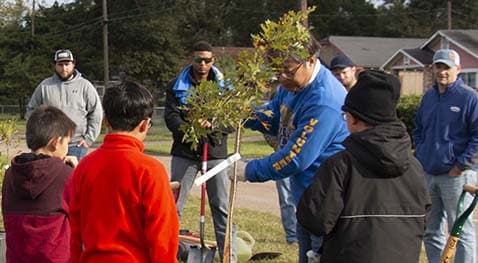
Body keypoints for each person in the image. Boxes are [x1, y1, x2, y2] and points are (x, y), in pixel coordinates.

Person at [297, 70, 431, 263]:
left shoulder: (340, 165)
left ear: (353, 119)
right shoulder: (415, 167)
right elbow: (425, 219)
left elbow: (315, 220)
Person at [236, 34, 349, 263]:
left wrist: (248, 171)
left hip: (326, 203)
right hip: (306, 199)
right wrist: (240, 114)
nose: (282, 77)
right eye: (277, 70)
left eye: (288, 70)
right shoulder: (292, 86)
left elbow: (296, 158)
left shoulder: (324, 100)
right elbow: (274, 117)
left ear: (310, 60)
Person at [69, 81, 179, 262]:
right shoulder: (150, 170)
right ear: (145, 125)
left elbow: (74, 228)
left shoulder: (85, 166)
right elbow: (163, 235)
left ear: (105, 121)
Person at [164, 40, 236, 261]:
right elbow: (171, 116)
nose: (202, 64)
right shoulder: (176, 85)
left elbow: (232, 120)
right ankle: (169, 254)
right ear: (192, 59)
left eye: (207, 60)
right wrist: (189, 129)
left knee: (221, 207)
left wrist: (213, 126)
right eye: (198, 60)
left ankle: (228, 256)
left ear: (213, 61)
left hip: (215, 154)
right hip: (185, 153)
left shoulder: (226, 87)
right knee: (173, 205)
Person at [414, 48, 478, 263]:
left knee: (460, 230)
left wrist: (460, 166)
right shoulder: (429, 97)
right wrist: (422, 156)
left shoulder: (469, 98)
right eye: (438, 66)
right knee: (431, 230)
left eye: (447, 68)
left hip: (457, 176)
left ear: (458, 70)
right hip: (429, 172)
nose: (442, 72)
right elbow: (419, 129)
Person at [2, 105, 78, 263]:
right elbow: (83, 216)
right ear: (55, 142)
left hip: (18, 258)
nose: (67, 149)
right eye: (67, 143)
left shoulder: (11, 175)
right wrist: (77, 172)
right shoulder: (65, 175)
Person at [26, 49, 103, 160]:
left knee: (74, 176)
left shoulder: (85, 86)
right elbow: (31, 110)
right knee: (51, 177)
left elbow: (96, 113)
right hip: (51, 145)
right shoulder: (44, 86)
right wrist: (38, 135)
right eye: (60, 64)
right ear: (55, 65)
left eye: (67, 64)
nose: (64, 68)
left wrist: (89, 139)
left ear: (73, 64)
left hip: (76, 145)